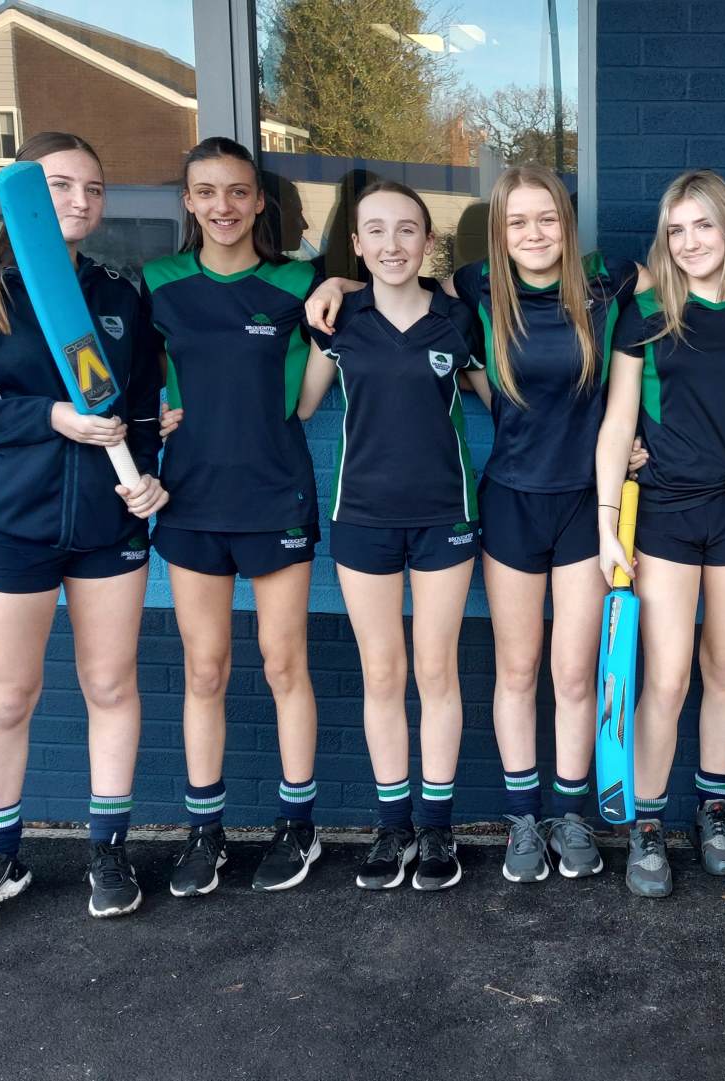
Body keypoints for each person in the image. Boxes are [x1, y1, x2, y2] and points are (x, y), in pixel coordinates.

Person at [304, 166, 651, 885]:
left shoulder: (606, 282)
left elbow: (690, 283)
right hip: (510, 502)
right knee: (517, 670)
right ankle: (523, 817)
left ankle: (570, 814)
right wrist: (335, 282)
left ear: (567, 225)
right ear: (498, 232)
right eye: (518, 221)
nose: (534, 232)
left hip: (587, 503)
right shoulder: (475, 289)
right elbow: (395, 280)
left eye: (547, 218)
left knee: (573, 673)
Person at [0, 132, 168, 928]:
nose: (80, 201)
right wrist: (49, 416)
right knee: (7, 695)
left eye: (94, 188)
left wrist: (148, 473)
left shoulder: (119, 294)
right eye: (61, 185)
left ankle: (108, 848)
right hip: (12, 527)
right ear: (25, 193)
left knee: (111, 685)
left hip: (106, 526)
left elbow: (140, 408)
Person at [595, 169, 725, 897]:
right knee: (668, 675)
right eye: (676, 230)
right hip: (666, 514)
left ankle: (713, 807)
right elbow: (618, 422)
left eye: (703, 225)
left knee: (724, 664)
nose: (689, 242)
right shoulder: (645, 314)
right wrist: (607, 524)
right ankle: (648, 822)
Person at [146, 137, 322, 896]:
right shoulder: (157, 283)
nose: (224, 206)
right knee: (205, 668)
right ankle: (205, 833)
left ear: (259, 203)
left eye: (239, 192)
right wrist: (144, 420)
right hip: (190, 499)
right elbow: (128, 376)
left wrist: (343, 283)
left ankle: (297, 824)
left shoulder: (299, 282)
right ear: (189, 202)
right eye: (207, 192)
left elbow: (365, 302)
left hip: (275, 493)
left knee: (284, 664)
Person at [295, 180, 480, 892]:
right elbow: (301, 405)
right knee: (381, 672)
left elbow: (508, 400)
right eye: (375, 230)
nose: (392, 243)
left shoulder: (459, 319)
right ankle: (392, 825)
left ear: (428, 241)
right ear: (357, 243)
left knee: (436, 671)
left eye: (407, 230)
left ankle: (436, 827)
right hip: (362, 516)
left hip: (444, 515)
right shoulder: (338, 317)